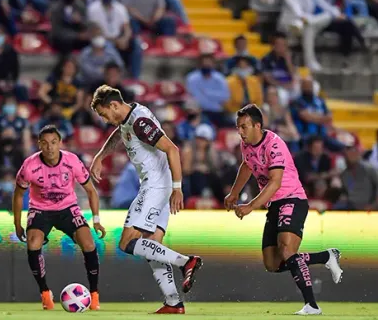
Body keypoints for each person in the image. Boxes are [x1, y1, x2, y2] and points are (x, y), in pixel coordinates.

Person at [89, 85, 202, 314]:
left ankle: (186, 261)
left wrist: (177, 188)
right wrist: (101, 155)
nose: (104, 119)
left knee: (127, 242)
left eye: (103, 113)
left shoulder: (140, 123)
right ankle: (173, 302)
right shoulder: (130, 116)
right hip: (159, 185)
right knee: (152, 246)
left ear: (113, 105)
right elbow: (120, 132)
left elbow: (172, 149)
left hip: (155, 186)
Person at [224, 104, 343, 316]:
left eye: (243, 127)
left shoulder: (274, 145)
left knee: (287, 251)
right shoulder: (247, 145)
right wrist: (234, 192)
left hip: (292, 199)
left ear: (257, 126)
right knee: (272, 264)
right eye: (238, 127)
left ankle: (312, 306)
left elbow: (275, 182)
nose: (239, 132)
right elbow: (247, 165)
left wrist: (251, 205)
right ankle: (326, 257)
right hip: (275, 204)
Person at [13, 125, 105, 311]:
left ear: (60, 143)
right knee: (33, 243)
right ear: (39, 144)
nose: (50, 147)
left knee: (89, 244)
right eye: (45, 143)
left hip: (68, 208)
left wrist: (96, 220)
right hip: (40, 209)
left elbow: (90, 191)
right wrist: (17, 223)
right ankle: (45, 293)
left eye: (54, 143)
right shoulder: (29, 165)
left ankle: (94, 294)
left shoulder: (72, 161)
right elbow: (18, 195)